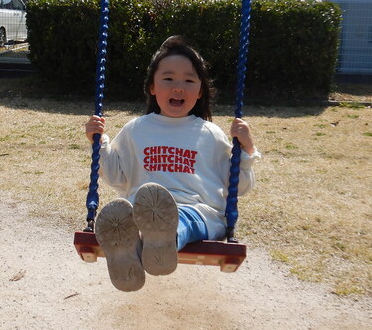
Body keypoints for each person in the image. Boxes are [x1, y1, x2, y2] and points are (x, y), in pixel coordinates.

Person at [84, 35, 259, 291]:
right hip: (140, 211)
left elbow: (239, 187)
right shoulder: (136, 130)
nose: (179, 87)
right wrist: (98, 141)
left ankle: (160, 240)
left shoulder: (210, 134)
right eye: (168, 78)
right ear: (152, 87)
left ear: (199, 92)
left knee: (180, 220)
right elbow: (116, 176)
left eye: (189, 80)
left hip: (197, 210)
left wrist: (248, 149)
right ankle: (130, 247)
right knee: (129, 215)